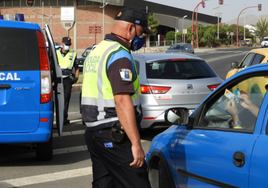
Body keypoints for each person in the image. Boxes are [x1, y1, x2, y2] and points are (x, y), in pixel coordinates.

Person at [81, 7, 152, 188]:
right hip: (115, 135)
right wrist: (136, 144)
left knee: (104, 185)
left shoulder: (97, 51)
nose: (142, 38)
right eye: (141, 32)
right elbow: (121, 101)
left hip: (94, 134)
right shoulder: (119, 55)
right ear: (130, 28)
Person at [57, 37, 79, 125]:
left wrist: (76, 78)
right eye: (66, 44)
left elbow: (76, 68)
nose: (68, 46)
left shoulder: (73, 54)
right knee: (58, 99)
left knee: (66, 99)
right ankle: (59, 118)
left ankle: (64, 118)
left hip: (67, 79)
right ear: (62, 43)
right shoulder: (56, 53)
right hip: (58, 79)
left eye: (69, 45)